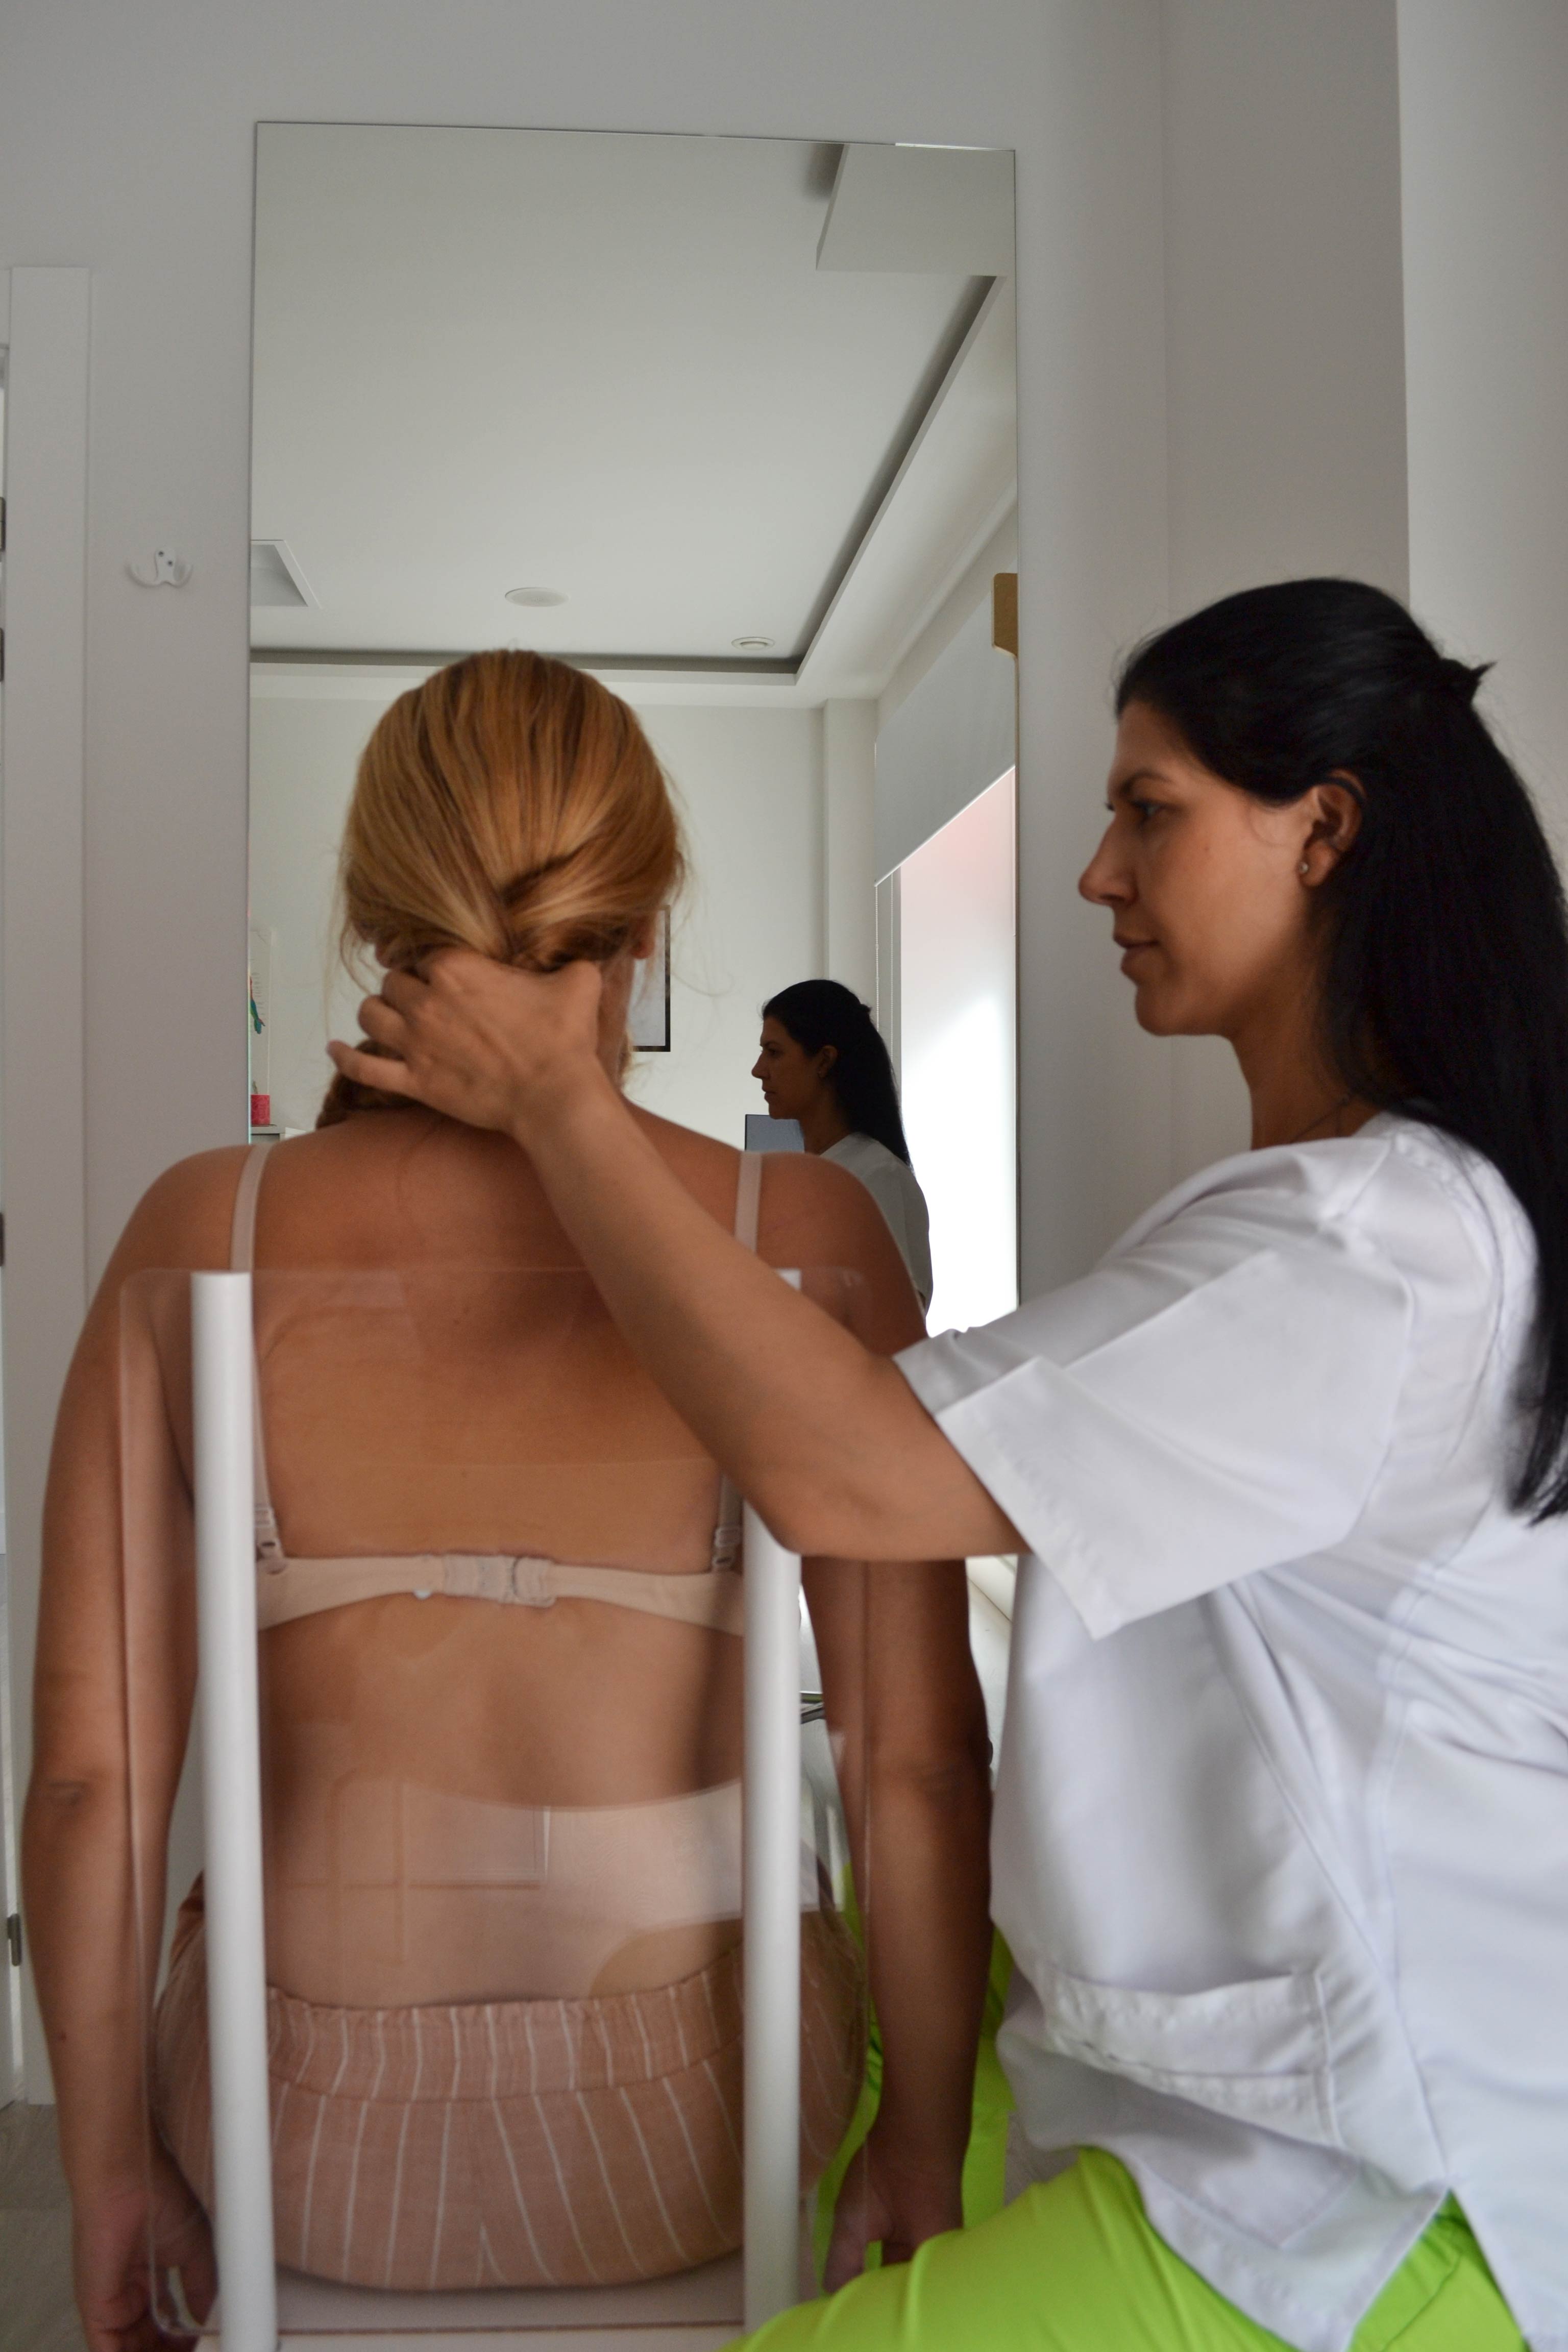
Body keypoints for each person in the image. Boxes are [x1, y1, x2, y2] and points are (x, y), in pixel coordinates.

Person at [325, 578, 1568, 2352]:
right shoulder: (1341, 1221)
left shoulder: (1364, 1249)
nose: (1096, 874)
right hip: (1247, 2083)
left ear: (1324, 830)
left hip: (1371, 2194)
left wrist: (559, 1105)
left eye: (1148, 811)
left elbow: (844, 1471)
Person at [23, 651, 992, 2352]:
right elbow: (911, 1761)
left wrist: (108, 2176)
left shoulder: (201, 1229)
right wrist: (917, 2146)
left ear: (371, 914)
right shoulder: (801, 1235)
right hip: (701, 2137)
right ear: (646, 923)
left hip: (300, 2142)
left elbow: (92, 1784)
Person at [752, 980, 933, 1312]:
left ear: (824, 1061)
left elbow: (896, 1315)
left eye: (774, 1052)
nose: (758, 1070)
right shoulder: (801, 1173)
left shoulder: (877, 1176)